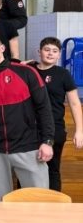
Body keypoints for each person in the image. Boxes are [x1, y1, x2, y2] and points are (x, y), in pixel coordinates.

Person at [0, 35, 55, 201]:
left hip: (29, 147)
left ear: (2, 48)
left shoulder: (27, 72)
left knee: (38, 200)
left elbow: (44, 109)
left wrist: (47, 141)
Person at [27, 37, 83, 190]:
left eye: (54, 51)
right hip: (30, 129)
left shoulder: (63, 74)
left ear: (59, 55)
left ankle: (53, 203)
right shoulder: (29, 70)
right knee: (27, 170)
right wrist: (21, 64)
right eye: (46, 50)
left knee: (52, 170)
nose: (50, 53)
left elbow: (74, 103)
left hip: (55, 129)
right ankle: (27, 203)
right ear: (39, 52)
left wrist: (79, 130)